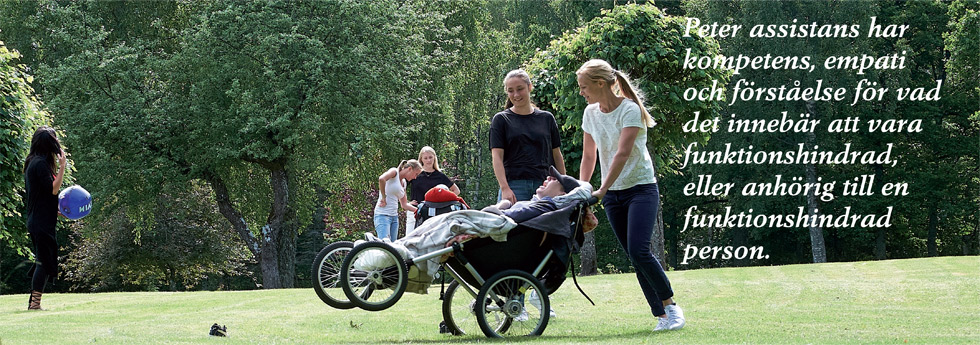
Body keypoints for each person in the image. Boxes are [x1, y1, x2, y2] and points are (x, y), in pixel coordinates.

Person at [576, 59, 685, 331]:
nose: (581, 92)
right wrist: (582, 187)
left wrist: (601, 189)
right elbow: (589, 155)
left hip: (641, 188)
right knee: (634, 256)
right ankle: (661, 315)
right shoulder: (590, 113)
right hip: (613, 196)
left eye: (584, 86)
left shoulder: (630, 110)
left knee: (639, 249)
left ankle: (672, 307)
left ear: (601, 84)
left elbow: (622, 154)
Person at [490, 69, 566, 205]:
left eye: (520, 89)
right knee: (513, 226)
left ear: (529, 87)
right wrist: (505, 188)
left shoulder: (546, 118)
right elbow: (497, 157)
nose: (516, 94)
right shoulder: (501, 119)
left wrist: (564, 184)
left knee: (545, 226)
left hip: (545, 186)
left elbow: (557, 155)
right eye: (511, 90)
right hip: (514, 186)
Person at [23, 126, 67, 310]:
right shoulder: (40, 163)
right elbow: (53, 189)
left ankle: (33, 301)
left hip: (39, 220)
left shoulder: (33, 161)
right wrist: (63, 167)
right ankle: (35, 304)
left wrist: (54, 207)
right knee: (44, 261)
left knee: (44, 260)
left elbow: (42, 194)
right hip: (41, 222)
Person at [406, 146, 459, 233]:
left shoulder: (440, 176)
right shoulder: (416, 173)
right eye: (425, 158)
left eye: (430, 157)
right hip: (414, 211)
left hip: (432, 213)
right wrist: (405, 203)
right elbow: (401, 185)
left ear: (434, 158)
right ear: (421, 159)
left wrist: (444, 203)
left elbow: (456, 190)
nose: (428, 160)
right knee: (409, 238)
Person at [374, 159, 422, 241]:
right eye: (416, 174)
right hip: (383, 215)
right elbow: (382, 179)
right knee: (385, 245)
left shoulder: (404, 183)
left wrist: (419, 211)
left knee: (392, 248)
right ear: (410, 169)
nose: (415, 177)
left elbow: (404, 205)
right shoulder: (394, 172)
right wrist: (383, 197)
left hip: (394, 217)